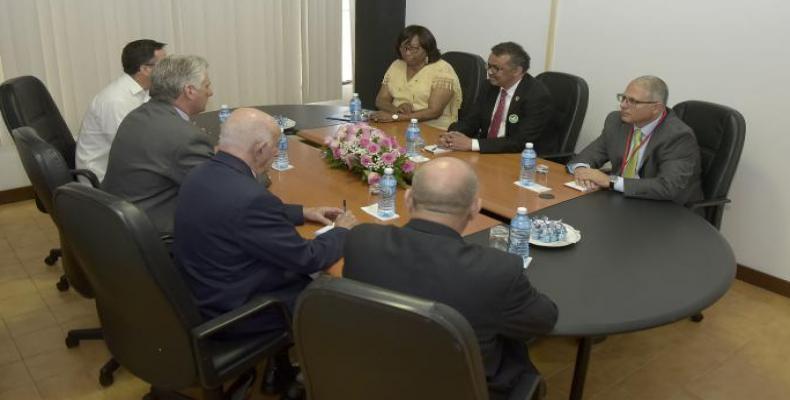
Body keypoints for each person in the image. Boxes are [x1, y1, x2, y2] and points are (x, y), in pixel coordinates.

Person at [343, 157, 558, 400]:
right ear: (475, 208)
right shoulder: (497, 271)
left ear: (407, 198)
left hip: (373, 380)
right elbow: (544, 319)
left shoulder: (360, 241)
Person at [174, 107, 358, 338]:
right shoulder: (251, 199)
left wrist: (302, 212)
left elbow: (236, 214)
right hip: (240, 308)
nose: (276, 152)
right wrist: (341, 231)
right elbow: (307, 258)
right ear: (260, 149)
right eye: (276, 146)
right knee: (340, 294)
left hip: (202, 290)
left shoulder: (200, 174)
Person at [102, 55, 215, 235]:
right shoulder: (185, 138)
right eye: (207, 85)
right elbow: (222, 189)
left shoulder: (137, 115)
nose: (210, 92)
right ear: (190, 91)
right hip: (153, 231)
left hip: (119, 221)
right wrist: (253, 167)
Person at [568, 75, 703, 205]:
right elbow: (588, 156)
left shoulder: (677, 136)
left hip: (667, 210)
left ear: (657, 108)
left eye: (633, 101)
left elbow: (668, 187)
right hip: (622, 200)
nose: (623, 105)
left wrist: (611, 181)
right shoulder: (617, 122)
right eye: (623, 98)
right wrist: (582, 169)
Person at [75, 39, 167, 182]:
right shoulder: (116, 101)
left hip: (125, 168)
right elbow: (131, 149)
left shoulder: (143, 91)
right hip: (104, 180)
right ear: (145, 69)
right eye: (164, 65)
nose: (169, 70)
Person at [440, 42, 555, 154]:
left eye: (496, 68)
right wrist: (452, 135)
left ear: (517, 71)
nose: (489, 72)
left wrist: (473, 144)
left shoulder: (536, 95)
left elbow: (520, 141)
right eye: (488, 66)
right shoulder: (489, 86)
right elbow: (471, 121)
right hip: (487, 151)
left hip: (521, 158)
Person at [369, 25, 462, 130]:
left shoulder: (442, 70)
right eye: (404, 48)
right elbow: (381, 100)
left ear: (427, 49)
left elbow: (434, 112)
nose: (407, 53)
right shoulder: (397, 65)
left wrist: (396, 117)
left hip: (433, 128)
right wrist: (397, 110)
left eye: (414, 49)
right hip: (398, 124)